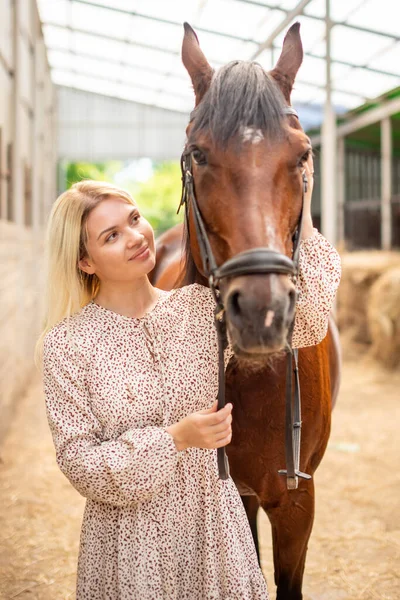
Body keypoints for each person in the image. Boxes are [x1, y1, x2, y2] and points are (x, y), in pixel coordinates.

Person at [37, 156, 341, 600]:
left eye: (135, 219)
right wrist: (175, 439)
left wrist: (305, 200)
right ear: (85, 262)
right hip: (128, 548)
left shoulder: (200, 310)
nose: (138, 237)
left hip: (214, 536)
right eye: (112, 235)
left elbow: (308, 323)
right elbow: (79, 463)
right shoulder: (66, 345)